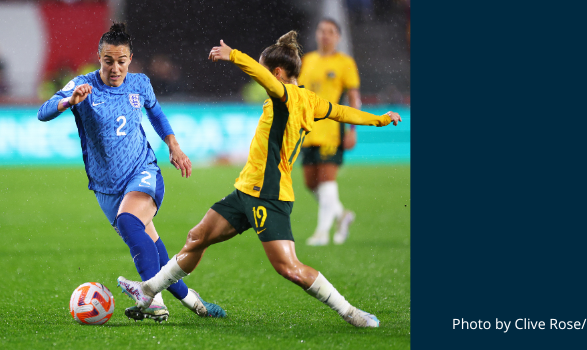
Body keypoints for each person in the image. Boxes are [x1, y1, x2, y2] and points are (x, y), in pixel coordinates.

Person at [118, 32, 401, 328]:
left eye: (266, 71)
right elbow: (342, 112)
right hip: (245, 192)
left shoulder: (287, 96)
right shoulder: (310, 100)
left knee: (289, 268)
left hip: (268, 195)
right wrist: (380, 119)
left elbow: (268, 81)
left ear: (277, 74)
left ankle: (351, 313)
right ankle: (148, 290)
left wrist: (235, 56)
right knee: (196, 237)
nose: (262, 78)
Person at [36, 23, 225, 323]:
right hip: (106, 188)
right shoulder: (83, 86)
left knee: (129, 220)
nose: (115, 68)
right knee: (155, 252)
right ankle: (195, 303)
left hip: (143, 172)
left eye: (121, 61)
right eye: (108, 61)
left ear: (130, 59)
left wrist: (173, 145)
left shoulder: (140, 83)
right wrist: (68, 101)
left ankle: (152, 301)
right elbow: (43, 111)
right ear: (98, 57)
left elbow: (157, 113)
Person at [299, 18, 362, 246]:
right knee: (310, 182)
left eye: (330, 32)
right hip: (308, 130)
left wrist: (353, 128)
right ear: (317, 34)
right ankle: (342, 214)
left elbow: (354, 98)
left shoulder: (345, 63)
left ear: (338, 37)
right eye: (322, 30)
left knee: (326, 181)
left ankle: (322, 233)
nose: (325, 35)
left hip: (332, 129)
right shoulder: (307, 61)